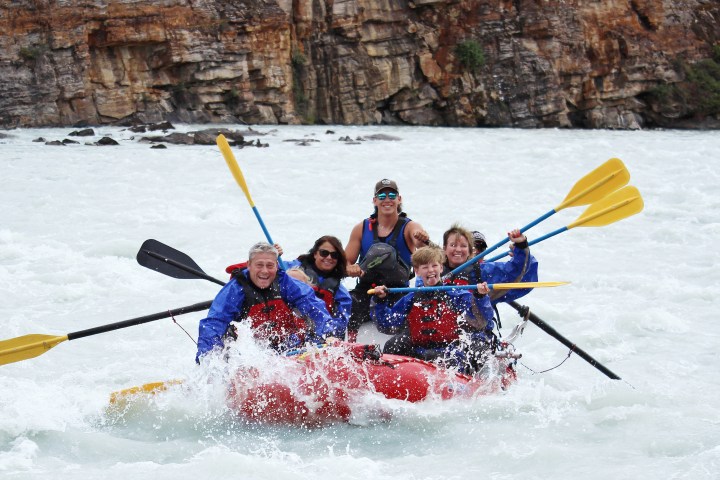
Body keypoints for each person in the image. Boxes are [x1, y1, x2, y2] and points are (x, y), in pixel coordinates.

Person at [195, 242, 340, 363]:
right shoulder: (235, 290)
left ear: (277, 266)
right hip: (249, 353)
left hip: (288, 348)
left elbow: (314, 306)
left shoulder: (286, 283)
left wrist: (328, 334)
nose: (264, 271)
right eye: (259, 265)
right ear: (249, 265)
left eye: (270, 266)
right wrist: (208, 359)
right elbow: (214, 323)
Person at [372, 246, 495, 374]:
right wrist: (380, 301)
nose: (430, 270)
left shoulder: (455, 294)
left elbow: (482, 319)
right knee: (393, 345)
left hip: (450, 351)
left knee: (459, 354)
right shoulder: (411, 299)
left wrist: (480, 296)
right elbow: (387, 324)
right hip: (420, 351)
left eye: (434, 266)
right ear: (417, 271)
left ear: (441, 268)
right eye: (425, 267)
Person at [344, 179, 429, 341]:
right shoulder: (361, 229)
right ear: (375, 201)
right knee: (347, 304)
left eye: (392, 195)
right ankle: (350, 346)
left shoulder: (411, 227)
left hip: (397, 292)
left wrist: (423, 240)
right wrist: (350, 268)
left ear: (399, 199)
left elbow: (423, 249)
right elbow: (343, 264)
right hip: (366, 291)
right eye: (382, 195)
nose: (387, 199)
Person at [284, 235, 352, 337]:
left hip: (318, 336)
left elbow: (341, 324)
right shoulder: (293, 267)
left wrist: (325, 330)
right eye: (324, 253)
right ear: (315, 253)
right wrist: (273, 254)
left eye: (334, 255)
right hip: (289, 330)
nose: (329, 257)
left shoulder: (342, 294)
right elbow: (267, 271)